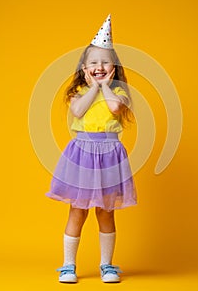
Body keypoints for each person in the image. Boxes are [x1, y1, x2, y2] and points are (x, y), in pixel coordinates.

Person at [46, 14, 137, 283]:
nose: (99, 66)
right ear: (84, 67)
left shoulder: (118, 93)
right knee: (77, 210)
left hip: (109, 155)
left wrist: (106, 87)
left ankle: (107, 265)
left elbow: (114, 108)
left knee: (106, 211)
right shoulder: (78, 93)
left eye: (105, 63)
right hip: (82, 155)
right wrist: (93, 87)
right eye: (93, 63)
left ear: (114, 68)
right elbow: (78, 110)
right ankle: (68, 265)